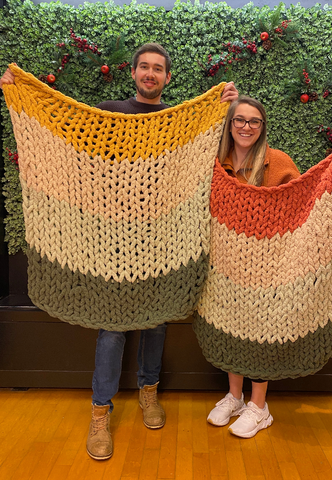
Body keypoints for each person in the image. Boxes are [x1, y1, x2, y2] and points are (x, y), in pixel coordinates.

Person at [0, 43, 239, 460]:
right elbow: (72, 151)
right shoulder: (108, 111)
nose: (150, 74)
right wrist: (19, 91)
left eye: (158, 69)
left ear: (167, 77)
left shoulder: (176, 121)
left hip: (164, 238)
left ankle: (149, 392)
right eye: (144, 67)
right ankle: (99, 410)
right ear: (133, 73)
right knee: (112, 328)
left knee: (158, 322)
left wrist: (222, 107)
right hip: (110, 242)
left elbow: (197, 165)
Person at [205, 95, 332, 439]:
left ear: (262, 127)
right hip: (226, 263)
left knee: (261, 329)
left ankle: (259, 407)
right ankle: (234, 396)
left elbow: (302, 200)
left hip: (270, 265)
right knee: (231, 325)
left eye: (254, 121)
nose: (246, 127)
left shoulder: (276, 162)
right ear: (230, 125)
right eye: (239, 120)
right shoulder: (216, 162)